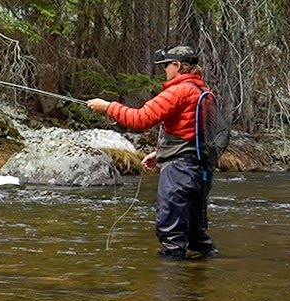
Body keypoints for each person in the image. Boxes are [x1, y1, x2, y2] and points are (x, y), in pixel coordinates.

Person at [86, 45, 219, 258]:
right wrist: (159, 153)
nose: (164, 70)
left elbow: (141, 119)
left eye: (166, 65)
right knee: (196, 233)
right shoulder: (204, 92)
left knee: (171, 232)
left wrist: (108, 107)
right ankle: (199, 282)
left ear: (177, 66)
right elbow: (192, 132)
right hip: (199, 169)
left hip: (180, 171)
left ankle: (171, 282)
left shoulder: (179, 90)